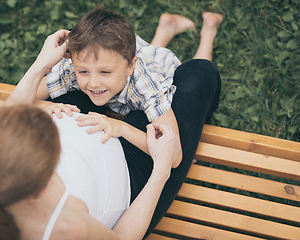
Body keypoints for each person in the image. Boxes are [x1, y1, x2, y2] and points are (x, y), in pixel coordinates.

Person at [33, 7, 222, 236]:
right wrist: (47, 105)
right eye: (83, 72)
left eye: (103, 72)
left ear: (131, 66)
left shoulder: (145, 84)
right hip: (127, 86)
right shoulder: (76, 71)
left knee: (174, 71)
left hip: (154, 75)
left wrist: (121, 128)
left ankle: (205, 33)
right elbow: (25, 102)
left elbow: (174, 153)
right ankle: (167, 28)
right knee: (129, 80)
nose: (92, 83)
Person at [0, 105, 180, 240]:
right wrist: (160, 170)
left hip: (104, 142)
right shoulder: (64, 228)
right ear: (40, 188)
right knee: (199, 76)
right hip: (128, 187)